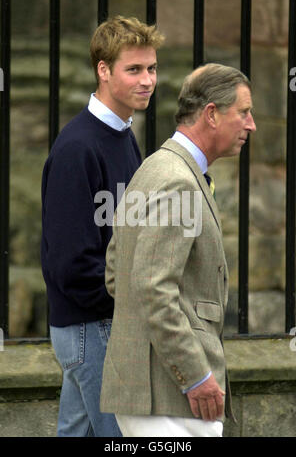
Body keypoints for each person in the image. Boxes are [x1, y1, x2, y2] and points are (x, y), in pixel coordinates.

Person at [100, 63, 256, 437]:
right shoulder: (177, 182)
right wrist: (195, 375)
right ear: (212, 114)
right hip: (171, 400)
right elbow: (152, 287)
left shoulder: (154, 167)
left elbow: (114, 273)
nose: (251, 125)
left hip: (153, 394)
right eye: (244, 112)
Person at [41, 16, 164, 437]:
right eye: (134, 69)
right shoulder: (78, 148)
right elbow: (71, 263)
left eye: (151, 68)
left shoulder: (122, 134)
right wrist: (130, 303)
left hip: (98, 325)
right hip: (91, 329)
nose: (147, 80)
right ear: (103, 70)